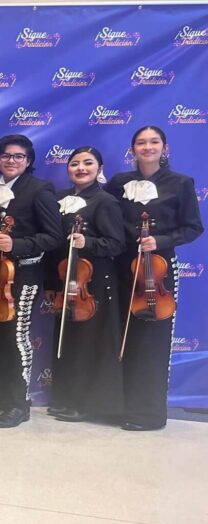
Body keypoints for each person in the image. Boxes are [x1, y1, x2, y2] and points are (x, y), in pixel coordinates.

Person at [106, 126, 204, 431]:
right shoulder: (119, 182)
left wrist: (158, 241)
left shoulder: (181, 183)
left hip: (157, 271)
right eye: (141, 142)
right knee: (121, 338)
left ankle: (148, 414)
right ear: (132, 149)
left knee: (151, 341)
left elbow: (192, 227)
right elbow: (107, 219)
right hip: (123, 267)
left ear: (165, 147)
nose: (147, 147)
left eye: (154, 142)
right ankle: (117, 406)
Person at [0, 134, 61, 428]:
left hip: (23, 274)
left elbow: (53, 236)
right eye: (6, 156)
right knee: (0, 335)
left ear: (28, 161)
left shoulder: (40, 190)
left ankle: (20, 403)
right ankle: (1, 395)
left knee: (17, 336)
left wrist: (17, 244)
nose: (11, 161)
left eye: (18, 156)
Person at [46, 147, 125, 422]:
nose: (81, 168)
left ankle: (85, 403)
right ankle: (66, 397)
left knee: (89, 344)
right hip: (66, 280)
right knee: (66, 342)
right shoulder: (60, 199)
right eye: (75, 163)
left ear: (99, 168)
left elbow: (117, 243)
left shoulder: (105, 201)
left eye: (88, 163)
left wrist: (88, 242)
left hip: (93, 283)